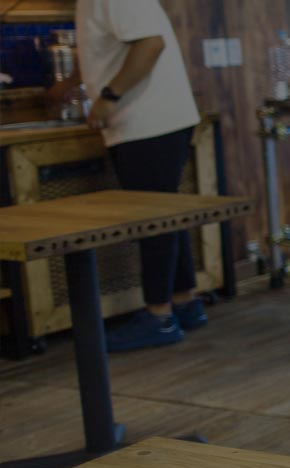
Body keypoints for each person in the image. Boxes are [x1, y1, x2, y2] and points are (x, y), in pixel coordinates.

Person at [51, 0, 204, 352]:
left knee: (152, 218)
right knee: (166, 214)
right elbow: (104, 51)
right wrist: (73, 83)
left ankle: (158, 317)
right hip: (149, 120)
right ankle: (183, 302)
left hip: (147, 121)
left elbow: (150, 44)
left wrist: (107, 97)